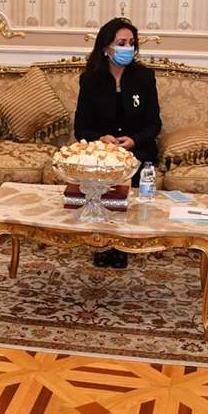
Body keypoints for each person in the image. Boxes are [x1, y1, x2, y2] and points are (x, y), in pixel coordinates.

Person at [73, 16, 162, 268]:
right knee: (100, 178)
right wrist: (101, 139)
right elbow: (81, 128)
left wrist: (134, 140)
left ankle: (122, 244)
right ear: (106, 47)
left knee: (131, 177)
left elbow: (154, 124)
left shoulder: (144, 77)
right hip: (103, 151)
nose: (128, 48)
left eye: (131, 43)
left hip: (137, 149)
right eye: (121, 43)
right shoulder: (90, 80)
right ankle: (102, 242)